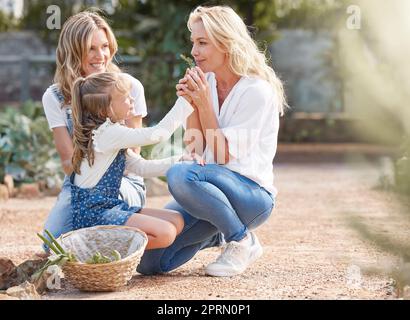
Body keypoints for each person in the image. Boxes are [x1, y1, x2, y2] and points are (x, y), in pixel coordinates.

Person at [137, 5, 286, 276]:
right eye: (193, 42)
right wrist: (191, 103)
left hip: (251, 196)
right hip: (208, 193)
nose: (194, 51)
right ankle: (218, 233)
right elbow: (195, 151)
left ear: (226, 44)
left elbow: (223, 154)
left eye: (202, 43)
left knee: (180, 175)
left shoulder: (257, 91)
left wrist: (203, 102)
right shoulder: (206, 83)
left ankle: (241, 239)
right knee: (149, 263)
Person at [41, 11, 147, 245]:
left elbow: (134, 153)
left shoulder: (130, 87)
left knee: (100, 228)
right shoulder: (56, 97)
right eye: (91, 48)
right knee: (52, 244)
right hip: (81, 186)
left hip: (123, 181)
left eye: (105, 46)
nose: (101, 55)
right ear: (73, 51)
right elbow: (69, 162)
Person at [69, 72, 199, 248]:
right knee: (166, 233)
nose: (132, 99)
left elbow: (141, 167)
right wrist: (185, 100)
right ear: (105, 109)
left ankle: (118, 247)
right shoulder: (107, 134)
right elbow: (157, 134)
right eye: (125, 97)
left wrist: (180, 159)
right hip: (96, 215)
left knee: (176, 220)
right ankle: (99, 249)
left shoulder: (112, 134)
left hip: (110, 207)